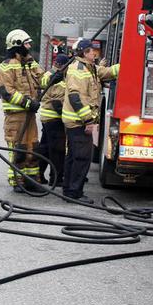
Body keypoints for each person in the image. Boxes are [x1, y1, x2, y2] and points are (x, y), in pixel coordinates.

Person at [61, 39, 119, 204]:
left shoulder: (90, 68)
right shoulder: (78, 70)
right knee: (81, 158)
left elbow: (107, 72)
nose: (94, 53)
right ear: (84, 53)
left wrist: (129, 63)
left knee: (73, 157)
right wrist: (87, 120)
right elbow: (75, 97)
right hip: (78, 122)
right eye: (91, 51)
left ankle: (69, 190)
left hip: (77, 122)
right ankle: (74, 193)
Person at [0, 29, 44, 193]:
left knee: (33, 148)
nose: (29, 46)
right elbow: (7, 92)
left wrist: (54, 76)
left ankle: (31, 181)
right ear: (17, 45)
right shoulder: (6, 66)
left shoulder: (30, 62)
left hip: (30, 115)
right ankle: (17, 180)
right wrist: (27, 103)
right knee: (19, 149)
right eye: (26, 43)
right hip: (16, 116)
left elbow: (41, 78)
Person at [37, 53, 70, 188]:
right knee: (57, 150)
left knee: (45, 148)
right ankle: (55, 178)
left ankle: (39, 174)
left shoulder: (51, 74)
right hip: (54, 118)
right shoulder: (56, 77)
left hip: (47, 119)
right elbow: (57, 101)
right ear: (62, 65)